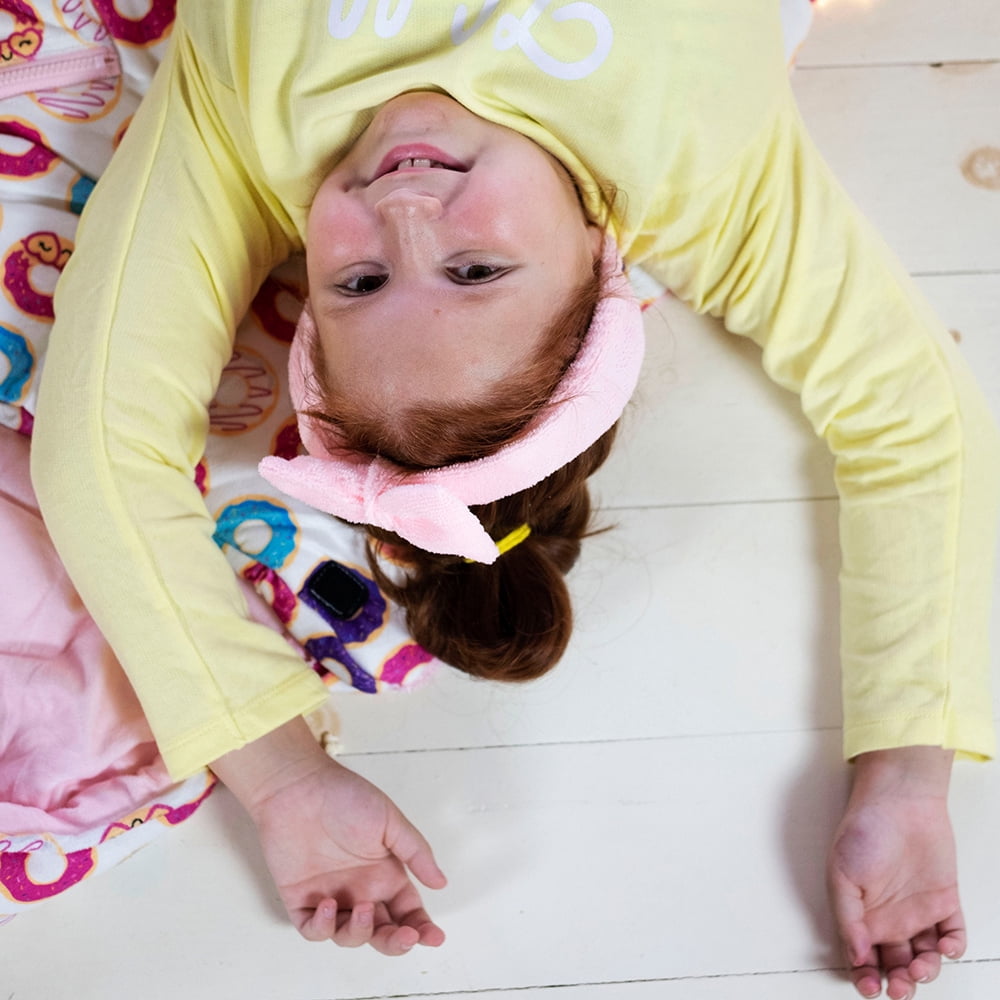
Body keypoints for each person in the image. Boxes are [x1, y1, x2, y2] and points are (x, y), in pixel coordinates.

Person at [26, 2, 998, 997]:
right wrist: (907, 772)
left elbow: (100, 451)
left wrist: (279, 775)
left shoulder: (252, 108)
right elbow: (917, 423)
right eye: (476, 271)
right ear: (597, 259)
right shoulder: (691, 157)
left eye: (359, 282)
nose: (405, 209)